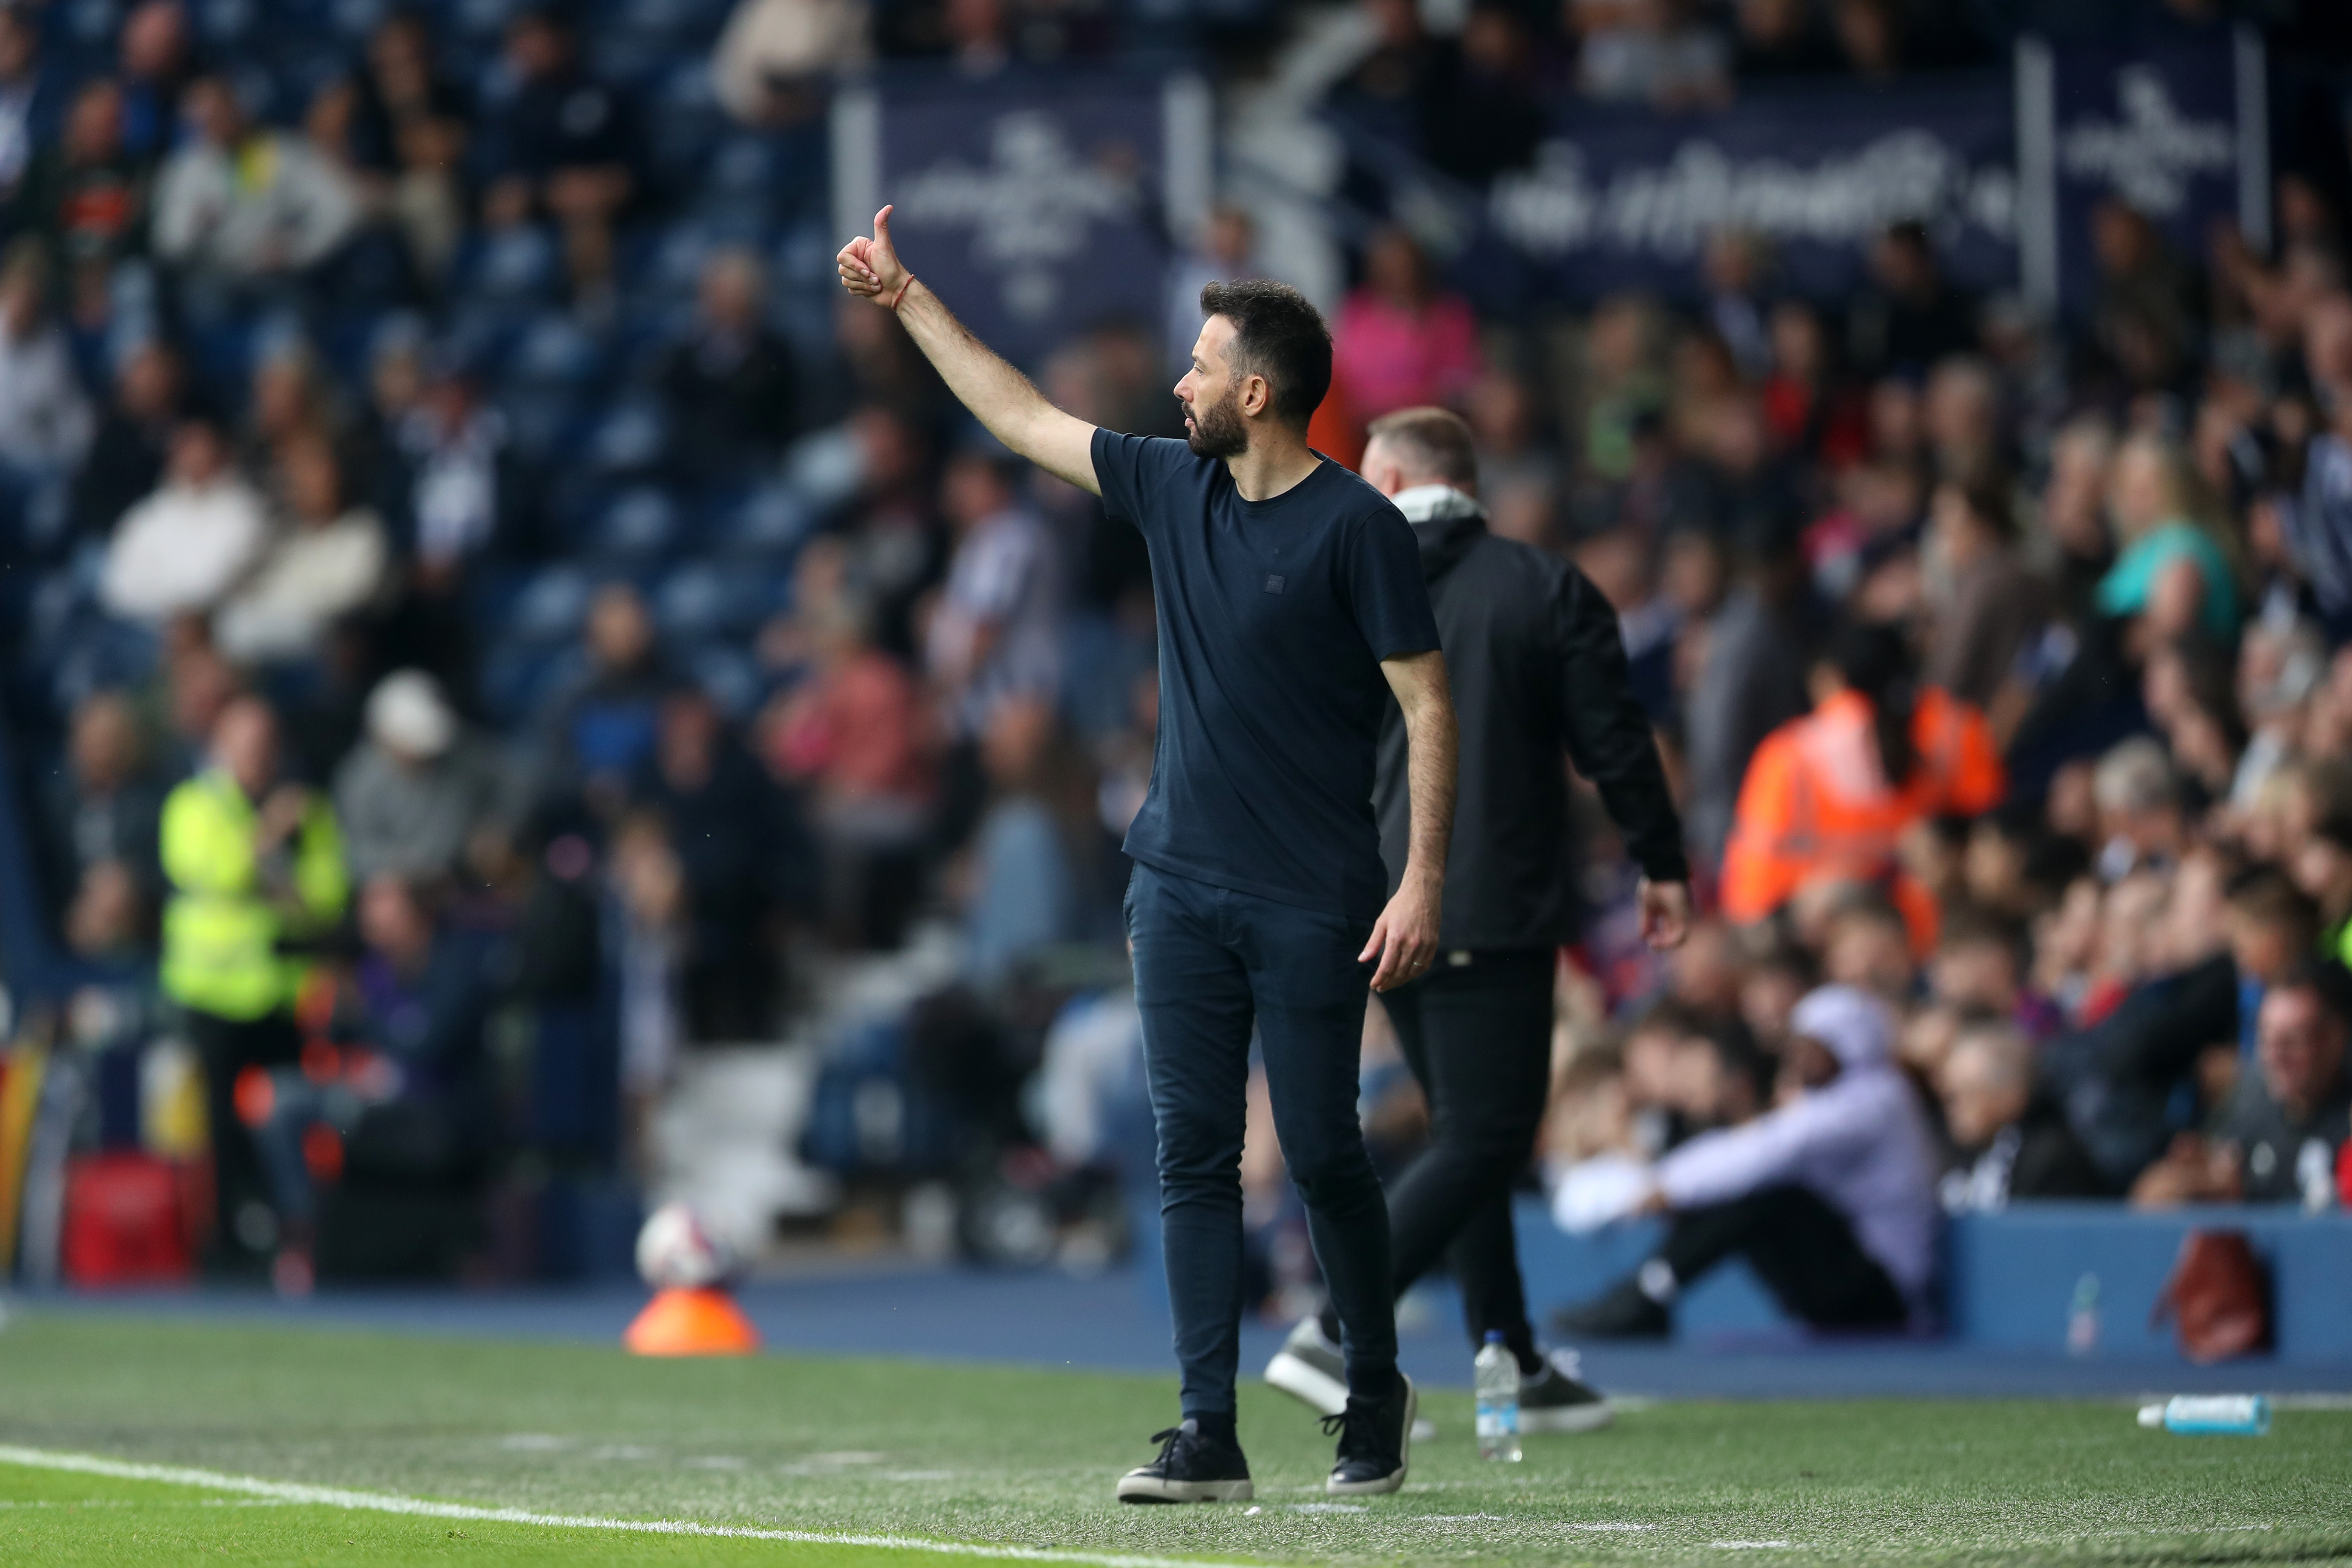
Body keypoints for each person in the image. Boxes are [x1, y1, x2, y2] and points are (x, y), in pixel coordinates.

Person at [840, 208, 1458, 1502]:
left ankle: (1375, 1384)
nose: (1177, 382)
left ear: (1255, 390)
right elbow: (1019, 416)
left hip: (1315, 891)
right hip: (1175, 880)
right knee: (1191, 1153)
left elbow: (1427, 709)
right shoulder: (1173, 483)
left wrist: (1422, 880)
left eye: (1199, 362)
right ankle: (1206, 1430)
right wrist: (908, 300)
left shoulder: (1359, 529)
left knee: (1325, 1150)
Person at [1260, 406, 1690, 1435]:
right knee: (1490, 1135)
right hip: (1494, 904)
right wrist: (1660, 860)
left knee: (1469, 1134)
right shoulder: (1543, 586)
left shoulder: (1340, 588)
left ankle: (1509, 1360)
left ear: (1400, 476)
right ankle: (1334, 1330)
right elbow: (1615, 743)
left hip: (1376, 905)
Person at [1556, 985, 1939, 1337]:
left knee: (1768, 1195)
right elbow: (1753, 1148)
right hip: (1851, 1279)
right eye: (1797, 1045)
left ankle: (1646, 1295)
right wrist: (1663, 1184)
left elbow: (1768, 1150)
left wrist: (1666, 1186)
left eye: (1812, 1047)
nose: (1798, 1058)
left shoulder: (1876, 1100)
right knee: (1750, 1189)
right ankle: (1646, 1294)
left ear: (1847, 1045)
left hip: (1888, 1295)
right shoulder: (1843, 1099)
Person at [159, 697, 348, 1271]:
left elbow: (328, 896)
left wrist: (268, 877)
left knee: (290, 1119)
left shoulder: (306, 812)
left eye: (266, 745)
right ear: (222, 746)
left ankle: (294, 1233)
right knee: (219, 1128)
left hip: (281, 994)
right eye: (246, 745)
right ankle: (227, 1242)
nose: (257, 758)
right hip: (212, 993)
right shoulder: (195, 805)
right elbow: (214, 873)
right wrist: (268, 841)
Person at [1720, 620, 2005, 951]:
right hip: (1830, 943)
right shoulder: (1794, 760)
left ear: (1830, 680)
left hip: (1952, 935)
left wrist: (1946, 846)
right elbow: (1750, 906)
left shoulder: (1950, 732)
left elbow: (1997, 839)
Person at [2130, 964, 2352, 1209]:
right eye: (2267, 1039)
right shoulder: (2251, 1107)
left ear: (2334, 1040)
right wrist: (2194, 1185)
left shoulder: (2345, 1122)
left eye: (2294, 1041)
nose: (2275, 1056)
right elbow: (2151, 1198)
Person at [98, 416, 269, 623]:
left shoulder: (245, 513)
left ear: (222, 453)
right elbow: (118, 584)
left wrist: (163, 598)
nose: (192, 457)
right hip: (140, 624)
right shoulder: (152, 511)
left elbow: (209, 588)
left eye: (201, 448)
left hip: (211, 629)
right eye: (185, 447)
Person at [1935, 1021, 2107, 1212]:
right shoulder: (1957, 1155)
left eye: (1963, 1096)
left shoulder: (2050, 1159)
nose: (1952, 1110)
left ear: (2010, 1097)